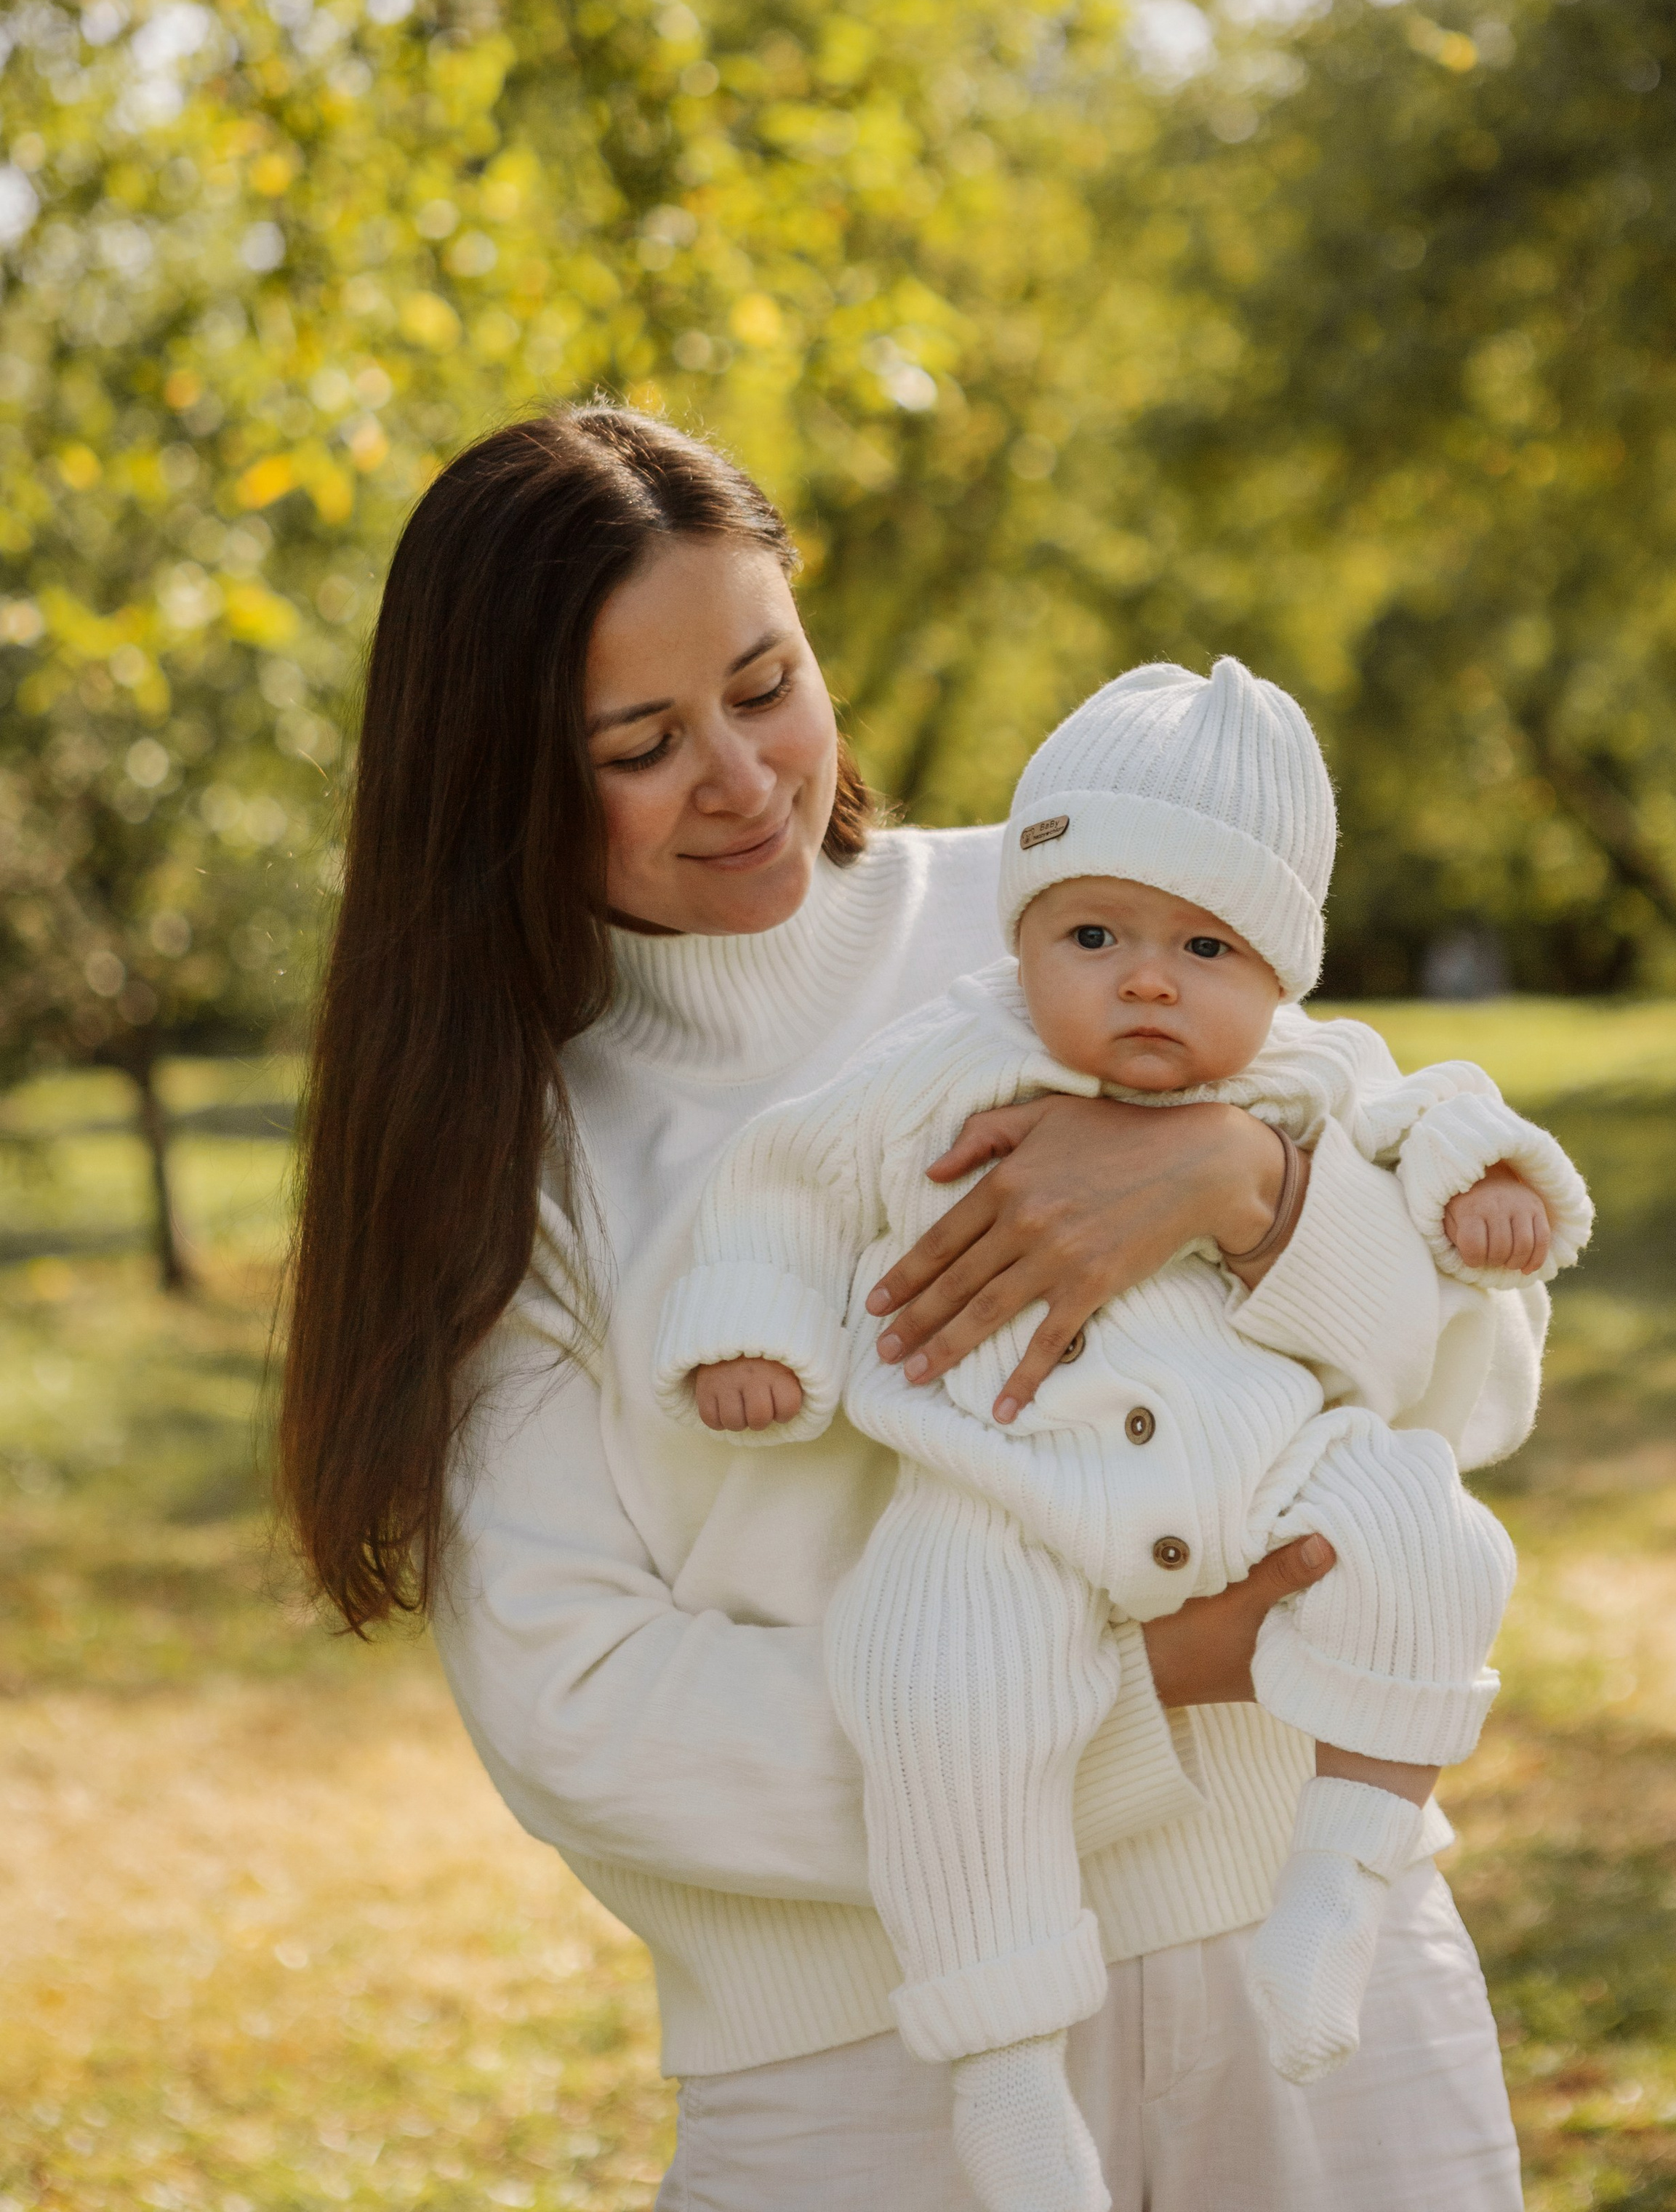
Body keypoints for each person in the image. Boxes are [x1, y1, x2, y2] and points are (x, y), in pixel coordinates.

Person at [280, 401, 1555, 2212]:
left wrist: (1238, 1188)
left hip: (1303, 1968)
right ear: (497, 783)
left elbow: (1470, 1380)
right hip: (854, 2073)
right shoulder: (513, 1155)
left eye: (764, 682)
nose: (738, 777)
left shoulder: (1074, 918)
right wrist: (1130, 1694)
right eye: (639, 744)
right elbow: (591, 1709)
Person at [656, 657, 1591, 2211]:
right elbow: (792, 1182)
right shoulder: (948, 1059)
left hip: (1271, 1478)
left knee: (1436, 1541)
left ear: (1279, 970)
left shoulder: (1310, 1076)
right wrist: (750, 1325)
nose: (1144, 979)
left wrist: (1484, 1192)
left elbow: (1437, 1122)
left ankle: (1344, 1872)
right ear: (1023, 936)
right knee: (935, 1685)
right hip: (1003, 1501)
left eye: (1202, 946)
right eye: (1092, 936)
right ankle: (1007, 2071)